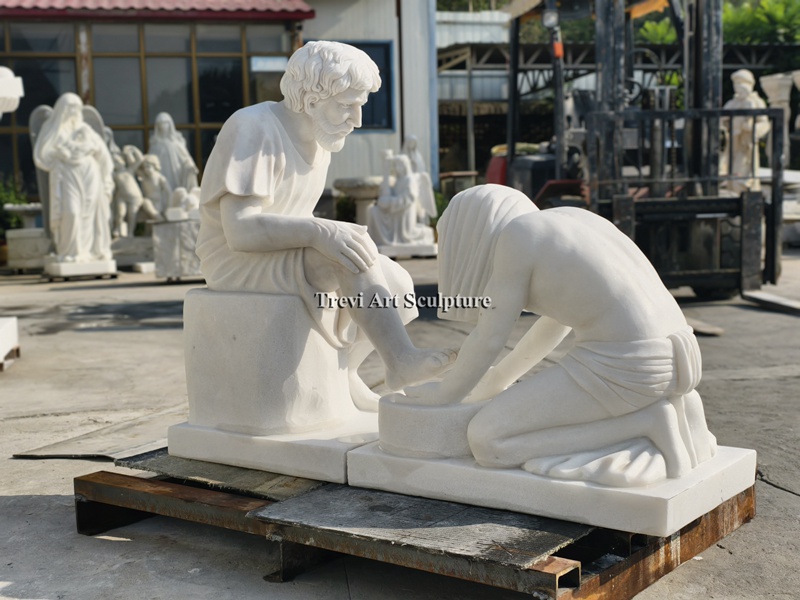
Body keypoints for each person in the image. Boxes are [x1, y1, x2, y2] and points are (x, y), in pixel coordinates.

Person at [196, 41, 454, 411]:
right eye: (347, 105)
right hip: (236, 260)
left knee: (395, 280)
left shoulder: (321, 140)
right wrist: (320, 231)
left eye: (360, 106)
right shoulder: (252, 127)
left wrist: (328, 231)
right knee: (345, 259)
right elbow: (241, 230)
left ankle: (347, 371)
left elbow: (296, 216)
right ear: (312, 99)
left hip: (281, 249)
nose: (358, 119)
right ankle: (401, 359)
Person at [403, 184, 717, 484]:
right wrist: (498, 378)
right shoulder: (573, 218)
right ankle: (668, 406)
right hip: (681, 353)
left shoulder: (517, 237)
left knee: (488, 441)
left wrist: (445, 395)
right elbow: (556, 323)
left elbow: (489, 338)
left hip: (629, 364)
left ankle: (644, 423)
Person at [33, 92, 114, 262]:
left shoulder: (85, 129)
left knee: (90, 213)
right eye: (70, 107)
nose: (74, 111)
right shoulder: (52, 128)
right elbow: (42, 156)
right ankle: (70, 251)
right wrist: (57, 154)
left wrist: (104, 172)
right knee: (71, 212)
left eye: (77, 108)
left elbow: (103, 154)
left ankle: (89, 252)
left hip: (89, 175)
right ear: (61, 109)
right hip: (67, 177)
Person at [367, 154, 435, 247]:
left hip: (404, 213)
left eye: (398, 165)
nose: (396, 168)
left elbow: (408, 198)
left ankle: (422, 234)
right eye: (395, 165)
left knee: (376, 211)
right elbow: (391, 193)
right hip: (396, 212)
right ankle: (377, 241)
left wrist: (390, 202)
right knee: (374, 211)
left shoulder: (410, 180)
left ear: (405, 165)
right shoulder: (399, 180)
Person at [721, 69, 770, 194]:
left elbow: (765, 124)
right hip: (733, 144)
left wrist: (751, 129)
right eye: (736, 85)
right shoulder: (732, 103)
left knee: (744, 171)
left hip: (746, 146)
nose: (738, 88)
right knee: (730, 169)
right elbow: (721, 120)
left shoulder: (756, 102)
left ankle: (745, 193)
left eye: (741, 84)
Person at [148, 112, 199, 191]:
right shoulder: (155, 145)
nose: (163, 126)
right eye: (160, 123)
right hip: (162, 174)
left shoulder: (176, 143)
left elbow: (185, 158)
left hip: (176, 174)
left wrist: (189, 165)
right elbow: (150, 161)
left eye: (165, 123)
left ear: (170, 124)